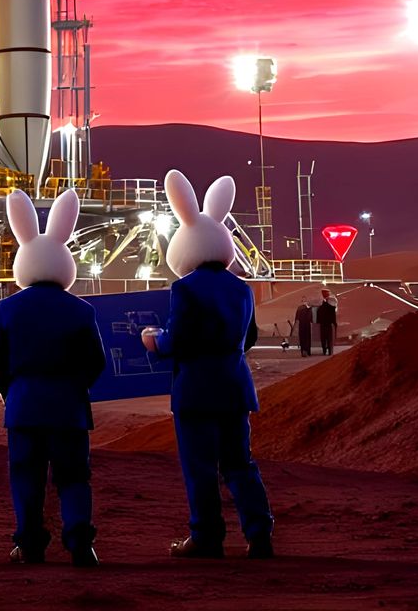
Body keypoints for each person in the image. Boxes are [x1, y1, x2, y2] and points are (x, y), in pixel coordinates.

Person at [144, 169, 274, 560]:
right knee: (240, 463)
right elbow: (249, 338)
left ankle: (207, 536)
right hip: (235, 386)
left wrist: (154, 341)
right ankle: (259, 533)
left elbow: (178, 339)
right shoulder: (242, 288)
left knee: (200, 466)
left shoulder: (184, 288)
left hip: (196, 391)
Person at [0, 188, 107, 568]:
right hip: (69, 408)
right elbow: (97, 362)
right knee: (73, 477)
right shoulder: (82, 311)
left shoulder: (7, 309)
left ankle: (30, 545)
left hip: (24, 407)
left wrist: (12, 390)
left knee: (27, 477)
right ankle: (81, 545)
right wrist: (75, 387)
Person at [316, 289, 338, 356]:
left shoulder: (320, 308)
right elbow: (333, 314)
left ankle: (324, 350)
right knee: (329, 338)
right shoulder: (331, 307)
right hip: (329, 324)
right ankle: (330, 351)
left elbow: (318, 316)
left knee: (323, 338)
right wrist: (334, 323)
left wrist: (318, 322)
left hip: (323, 324)